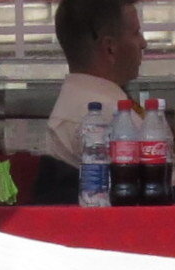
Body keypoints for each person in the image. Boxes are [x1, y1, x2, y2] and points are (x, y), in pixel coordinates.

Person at [46, 0, 146, 169]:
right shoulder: (106, 118)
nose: (143, 43)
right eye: (136, 33)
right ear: (110, 48)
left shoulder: (81, 103)